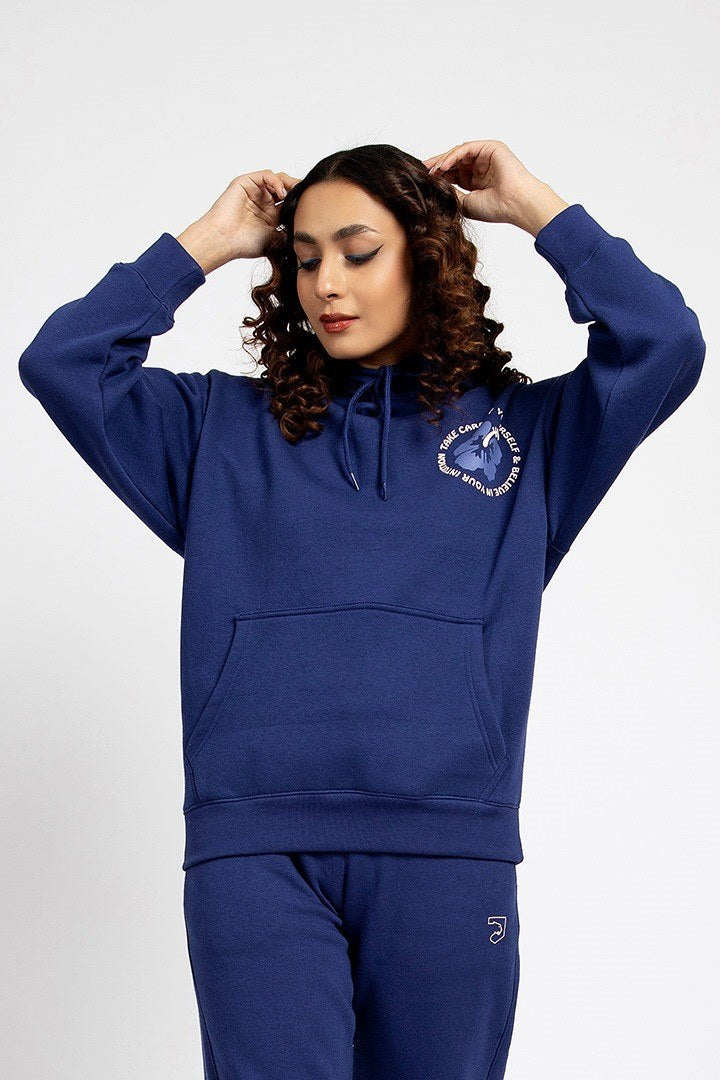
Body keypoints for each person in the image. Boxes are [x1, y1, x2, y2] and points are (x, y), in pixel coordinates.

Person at [18, 141, 705, 1079]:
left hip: (449, 851)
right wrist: (207, 242)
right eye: (304, 260)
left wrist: (537, 207)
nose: (325, 285)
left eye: (358, 251)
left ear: (425, 259)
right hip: (255, 855)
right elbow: (63, 362)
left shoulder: (529, 440)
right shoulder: (216, 432)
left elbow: (665, 341)